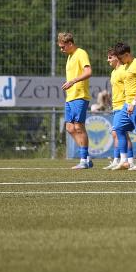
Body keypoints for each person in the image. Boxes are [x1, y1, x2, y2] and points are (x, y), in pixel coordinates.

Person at [58, 31, 93, 169]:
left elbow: (88, 72)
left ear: (70, 43)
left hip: (80, 95)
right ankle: (87, 157)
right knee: (70, 128)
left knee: (78, 126)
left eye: (63, 47)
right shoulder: (70, 56)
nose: (61, 50)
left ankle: (83, 160)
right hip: (70, 97)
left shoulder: (81, 53)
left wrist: (73, 81)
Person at [115, 42, 136, 171]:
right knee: (119, 128)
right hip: (126, 104)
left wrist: (134, 103)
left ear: (127, 54)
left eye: (120, 58)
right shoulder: (125, 66)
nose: (119, 61)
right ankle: (125, 161)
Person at [104, 48, 130, 170]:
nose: (108, 60)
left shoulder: (124, 70)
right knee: (118, 134)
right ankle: (117, 160)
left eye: (110, 57)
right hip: (116, 106)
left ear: (116, 58)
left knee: (119, 133)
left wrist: (128, 104)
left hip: (123, 105)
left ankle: (128, 160)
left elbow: (129, 87)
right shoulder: (113, 72)